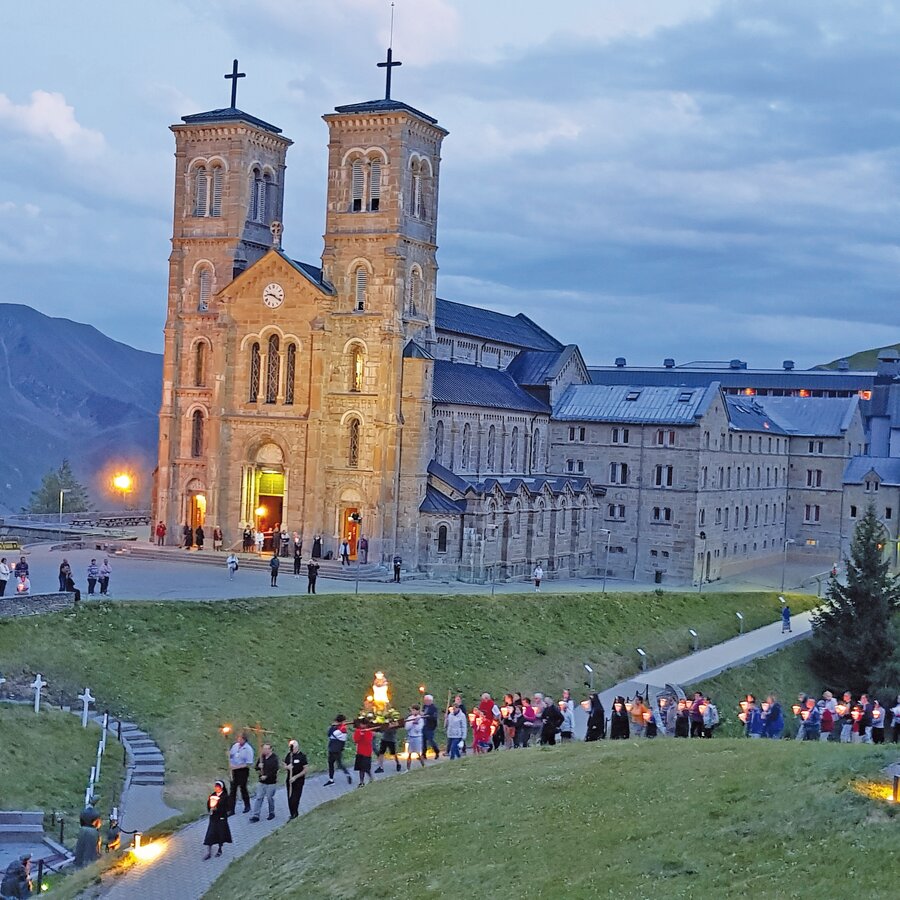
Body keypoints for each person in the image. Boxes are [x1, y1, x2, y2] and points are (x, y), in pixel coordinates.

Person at [249, 743, 279, 822]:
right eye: (264, 749)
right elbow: (256, 768)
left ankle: (271, 812)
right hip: (262, 782)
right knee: (259, 797)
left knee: (269, 798)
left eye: (266, 749)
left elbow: (275, 770)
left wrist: (266, 776)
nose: (264, 750)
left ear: (270, 749)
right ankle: (256, 815)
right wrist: (259, 766)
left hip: (271, 782)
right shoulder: (261, 757)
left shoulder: (274, 759)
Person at [203, 781, 232, 859]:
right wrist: (210, 809)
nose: (216, 788)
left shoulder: (225, 796)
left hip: (221, 818)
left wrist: (218, 808)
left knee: (220, 834)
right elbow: (208, 804)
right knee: (210, 834)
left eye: (218, 787)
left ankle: (220, 849)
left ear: (221, 787)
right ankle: (208, 852)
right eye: (215, 787)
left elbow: (228, 808)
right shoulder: (212, 795)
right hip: (213, 818)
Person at [228, 732, 254, 814]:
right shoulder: (235, 746)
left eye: (240, 738)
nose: (238, 740)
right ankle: (231, 809)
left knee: (243, 788)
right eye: (238, 738)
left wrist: (236, 767)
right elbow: (232, 755)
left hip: (243, 770)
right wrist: (229, 755)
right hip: (234, 770)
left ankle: (247, 805)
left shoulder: (248, 749)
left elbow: (248, 763)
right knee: (233, 790)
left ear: (244, 739)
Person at [325, 715, 353, 785]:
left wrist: (332, 726)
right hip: (336, 749)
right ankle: (346, 774)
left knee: (334, 764)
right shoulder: (341, 728)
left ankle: (332, 779)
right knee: (337, 764)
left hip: (334, 749)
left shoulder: (341, 729)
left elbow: (330, 734)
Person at [284, 739, 308, 819]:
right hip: (289, 780)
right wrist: (287, 767)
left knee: (295, 799)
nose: (291, 750)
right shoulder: (289, 755)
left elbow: (305, 770)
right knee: (290, 798)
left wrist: (295, 777)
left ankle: (295, 814)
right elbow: (284, 764)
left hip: (298, 781)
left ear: (297, 747)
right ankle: (292, 814)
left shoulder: (302, 756)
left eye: (293, 748)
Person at [352, 720, 376, 786]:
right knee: (361, 768)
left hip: (367, 752)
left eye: (363, 724)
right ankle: (361, 782)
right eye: (361, 724)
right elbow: (355, 740)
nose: (361, 726)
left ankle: (371, 778)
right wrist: (360, 734)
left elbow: (368, 740)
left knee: (366, 768)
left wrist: (364, 734)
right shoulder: (358, 731)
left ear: (366, 725)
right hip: (360, 751)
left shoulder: (369, 731)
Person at [421, 694, 440, 760]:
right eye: (424, 700)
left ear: (430, 701)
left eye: (426, 700)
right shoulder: (424, 706)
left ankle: (436, 751)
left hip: (430, 726)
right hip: (424, 726)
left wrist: (426, 715)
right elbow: (422, 713)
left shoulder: (433, 708)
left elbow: (434, 717)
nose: (425, 702)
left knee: (430, 740)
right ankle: (423, 754)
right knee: (423, 741)